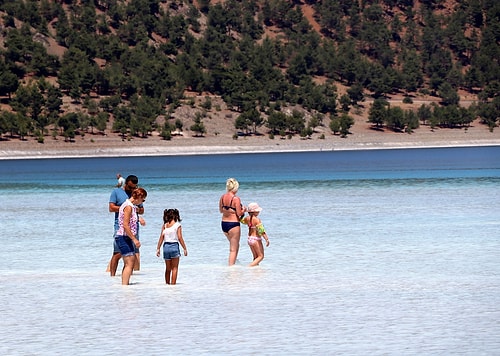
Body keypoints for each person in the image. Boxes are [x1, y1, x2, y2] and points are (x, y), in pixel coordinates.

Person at [107, 175, 145, 276]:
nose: (132, 190)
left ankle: (129, 276)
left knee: (133, 253)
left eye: (134, 187)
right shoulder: (116, 192)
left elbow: (142, 210)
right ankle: (112, 275)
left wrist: (136, 209)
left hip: (133, 225)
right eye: (130, 187)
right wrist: (126, 208)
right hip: (120, 226)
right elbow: (111, 208)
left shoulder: (136, 194)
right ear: (126, 183)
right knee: (117, 252)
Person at [115, 187, 148, 285]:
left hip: (126, 237)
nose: (143, 202)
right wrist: (134, 239)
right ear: (138, 197)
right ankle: (125, 286)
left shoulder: (131, 206)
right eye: (143, 199)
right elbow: (125, 225)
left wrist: (139, 219)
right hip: (123, 237)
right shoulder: (128, 207)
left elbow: (128, 220)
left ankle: (125, 285)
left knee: (129, 262)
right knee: (129, 262)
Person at [156, 209, 187, 285]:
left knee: (168, 268)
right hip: (174, 246)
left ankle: (167, 284)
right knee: (175, 268)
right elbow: (179, 237)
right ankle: (173, 285)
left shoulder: (165, 225)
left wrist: (158, 248)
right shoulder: (177, 225)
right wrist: (184, 248)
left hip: (166, 247)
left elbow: (161, 237)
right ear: (176, 216)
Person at [219, 178, 246, 265]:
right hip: (233, 224)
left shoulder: (222, 197)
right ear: (235, 187)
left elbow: (221, 210)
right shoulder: (236, 199)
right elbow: (239, 213)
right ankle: (231, 269)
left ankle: (234, 263)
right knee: (233, 249)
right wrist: (244, 210)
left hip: (224, 224)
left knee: (235, 245)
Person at [241, 202, 270, 267]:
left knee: (255, 257)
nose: (259, 212)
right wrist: (267, 239)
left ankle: (255, 271)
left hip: (249, 239)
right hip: (256, 239)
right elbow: (261, 231)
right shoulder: (257, 220)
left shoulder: (247, 218)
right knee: (261, 256)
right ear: (255, 212)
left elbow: (241, 221)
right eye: (258, 211)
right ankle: (249, 267)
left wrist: (242, 213)